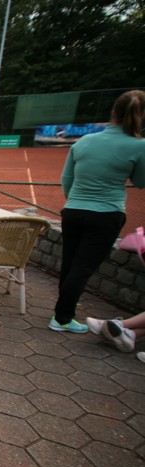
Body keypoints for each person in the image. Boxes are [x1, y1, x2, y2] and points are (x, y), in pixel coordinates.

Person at [50, 90, 145, 333]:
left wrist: (76, 201)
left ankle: (64, 310)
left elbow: (67, 179)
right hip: (107, 213)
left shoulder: (84, 141)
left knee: (70, 264)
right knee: (82, 268)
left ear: (113, 112)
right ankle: (62, 317)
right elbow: (140, 181)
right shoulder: (139, 146)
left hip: (74, 210)